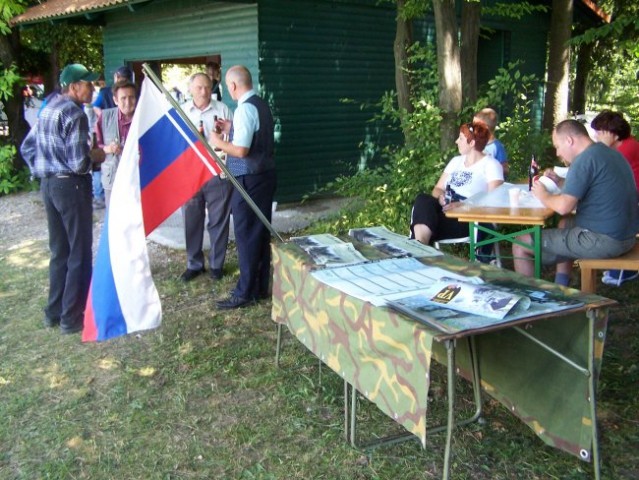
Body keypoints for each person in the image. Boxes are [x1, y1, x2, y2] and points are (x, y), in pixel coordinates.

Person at [20, 63, 101, 334]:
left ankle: (53, 312)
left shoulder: (48, 109)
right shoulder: (76, 115)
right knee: (79, 252)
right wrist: (98, 154)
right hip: (71, 187)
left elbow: (27, 147)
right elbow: (80, 163)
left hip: (49, 186)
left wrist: (44, 168)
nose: (92, 88)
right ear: (74, 87)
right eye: (88, 84)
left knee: (59, 251)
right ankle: (71, 317)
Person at [513, 119, 639, 286]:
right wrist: (559, 182)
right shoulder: (607, 153)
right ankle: (561, 284)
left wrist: (542, 195)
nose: (558, 153)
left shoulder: (584, 160)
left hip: (605, 240)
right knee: (565, 224)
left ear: (569, 140)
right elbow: (590, 187)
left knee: (520, 242)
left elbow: (564, 207)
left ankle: (531, 300)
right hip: (627, 235)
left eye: (557, 146)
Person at [210, 65, 277, 309]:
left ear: (233, 86)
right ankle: (259, 287)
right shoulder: (260, 104)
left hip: (249, 179)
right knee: (259, 232)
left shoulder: (244, 109)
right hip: (264, 176)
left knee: (247, 234)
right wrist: (231, 128)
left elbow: (241, 150)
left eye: (228, 85)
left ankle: (244, 293)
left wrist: (217, 140)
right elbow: (253, 135)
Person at [410, 122, 504, 245]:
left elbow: (494, 201)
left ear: (472, 143)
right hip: (445, 211)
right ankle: (420, 245)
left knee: (426, 221)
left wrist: (464, 205)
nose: (456, 141)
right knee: (423, 199)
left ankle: (419, 250)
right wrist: (441, 198)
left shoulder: (491, 165)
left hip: (467, 219)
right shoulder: (456, 161)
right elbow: (438, 188)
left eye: (460, 138)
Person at [180, 73, 234, 282]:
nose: (204, 91)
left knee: (218, 220)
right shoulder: (182, 111)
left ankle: (216, 265)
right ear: (191, 89)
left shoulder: (222, 110)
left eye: (207, 87)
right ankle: (194, 264)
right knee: (191, 220)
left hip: (216, 172)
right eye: (199, 87)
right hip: (190, 174)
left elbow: (234, 137)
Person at [590, 110, 639, 285]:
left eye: (599, 132)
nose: (596, 137)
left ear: (611, 133)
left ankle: (622, 269)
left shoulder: (624, 148)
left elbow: (598, 171)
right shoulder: (627, 144)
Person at [94, 80, 138, 208]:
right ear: (115, 100)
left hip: (138, 179)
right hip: (113, 179)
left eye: (131, 97)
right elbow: (94, 148)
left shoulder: (142, 117)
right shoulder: (104, 117)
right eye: (123, 98)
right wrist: (107, 148)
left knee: (138, 221)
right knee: (114, 220)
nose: (128, 102)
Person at [473, 107, 509, 176]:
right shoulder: (474, 144)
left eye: (476, 126)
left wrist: (492, 168)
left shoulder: (497, 146)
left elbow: (505, 169)